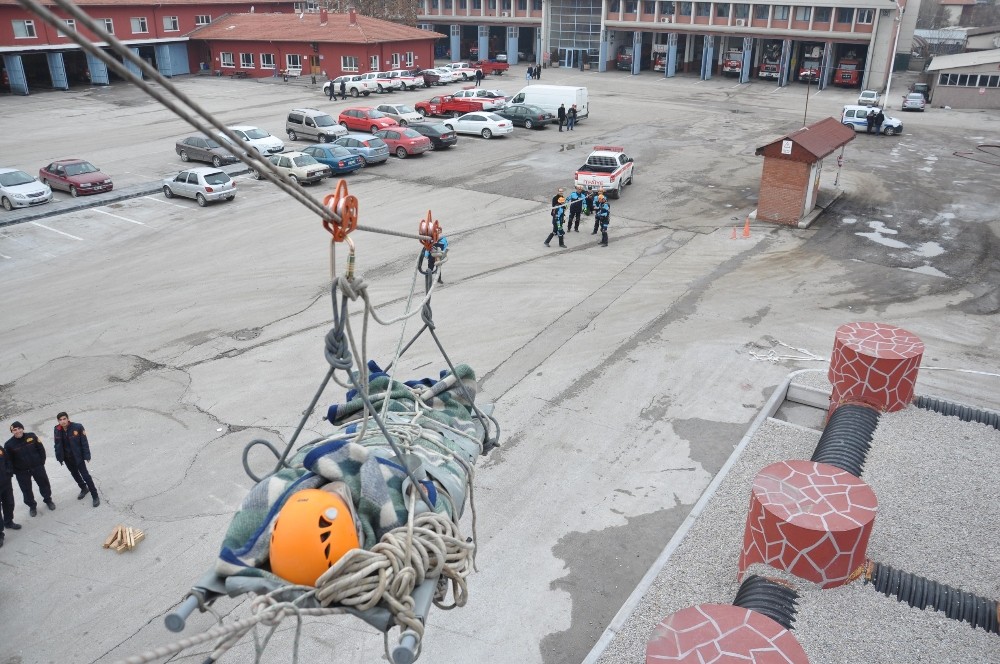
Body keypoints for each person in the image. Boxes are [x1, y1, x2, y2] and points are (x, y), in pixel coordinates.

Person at [4, 421, 54, 517]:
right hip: (22, 472)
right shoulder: (9, 444)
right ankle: (32, 506)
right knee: (26, 490)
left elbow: (41, 449)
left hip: (37, 467)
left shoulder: (31, 436)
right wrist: (16, 471)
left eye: (19, 428)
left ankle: (48, 500)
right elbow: (9, 461)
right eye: (14, 430)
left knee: (44, 484)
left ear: (22, 428)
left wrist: (41, 462)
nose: (18, 431)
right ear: (12, 432)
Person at [54, 412, 99, 507]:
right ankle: (83, 488)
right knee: (74, 474)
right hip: (67, 458)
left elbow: (84, 442)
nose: (62, 421)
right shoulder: (57, 429)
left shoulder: (77, 427)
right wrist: (59, 457)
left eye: (64, 419)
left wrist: (87, 455)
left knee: (86, 476)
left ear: (67, 419)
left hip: (78, 457)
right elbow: (57, 444)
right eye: (60, 420)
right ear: (58, 421)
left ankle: (95, 495)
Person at [0, 440, 21, 546]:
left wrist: (9, 473)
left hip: (5, 483)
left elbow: (7, 460)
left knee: (9, 503)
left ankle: (9, 522)